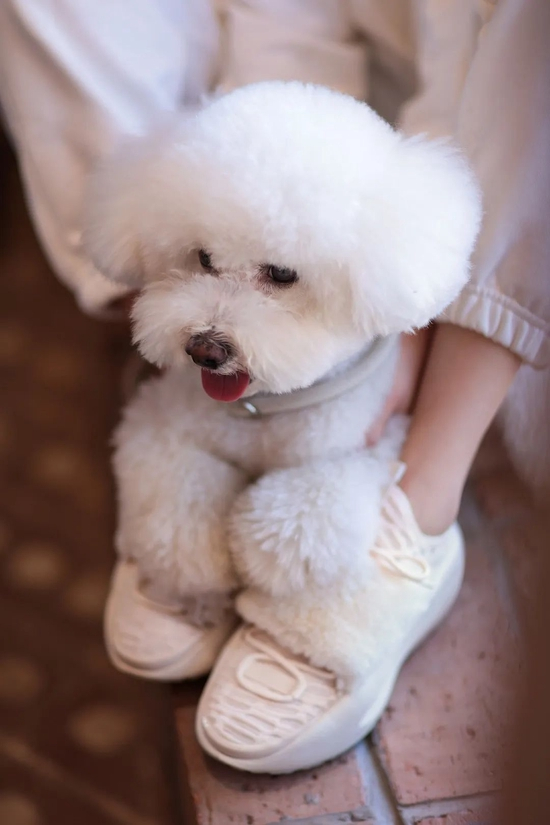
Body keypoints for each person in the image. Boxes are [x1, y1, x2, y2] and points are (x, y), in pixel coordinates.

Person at [1, 0, 549, 770]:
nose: (216, 327)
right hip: (333, 83)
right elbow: (286, 17)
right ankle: (166, 330)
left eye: (277, 277)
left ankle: (422, 495)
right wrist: (263, 135)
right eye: (204, 262)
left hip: (464, 150)